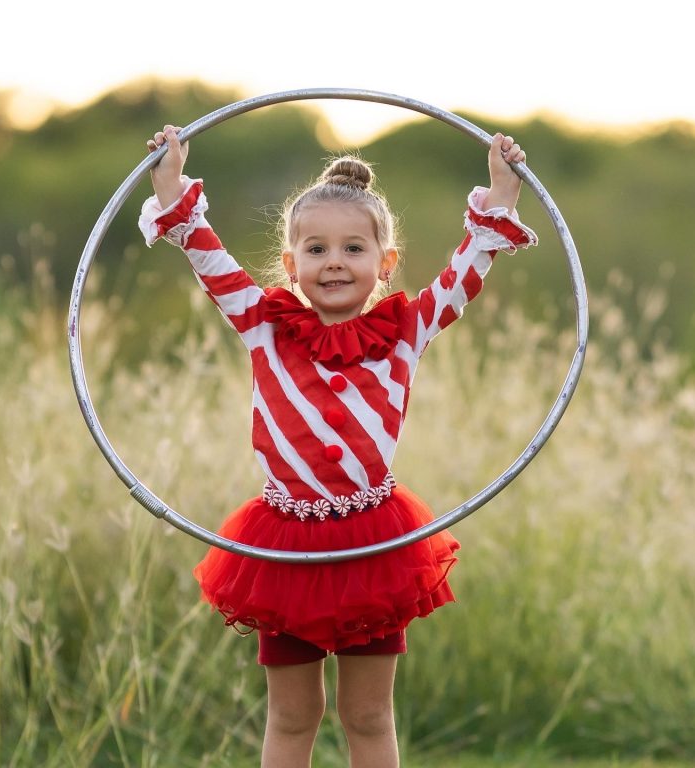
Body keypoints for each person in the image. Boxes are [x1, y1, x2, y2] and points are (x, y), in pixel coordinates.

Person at [139, 123, 537, 768]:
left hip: (374, 545)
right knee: (294, 714)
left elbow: (467, 270)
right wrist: (170, 184)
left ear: (384, 263)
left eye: (353, 248)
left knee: (369, 713)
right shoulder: (263, 322)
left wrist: (500, 195)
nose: (334, 261)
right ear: (291, 264)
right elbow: (206, 255)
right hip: (286, 544)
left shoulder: (406, 329)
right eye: (316, 248)